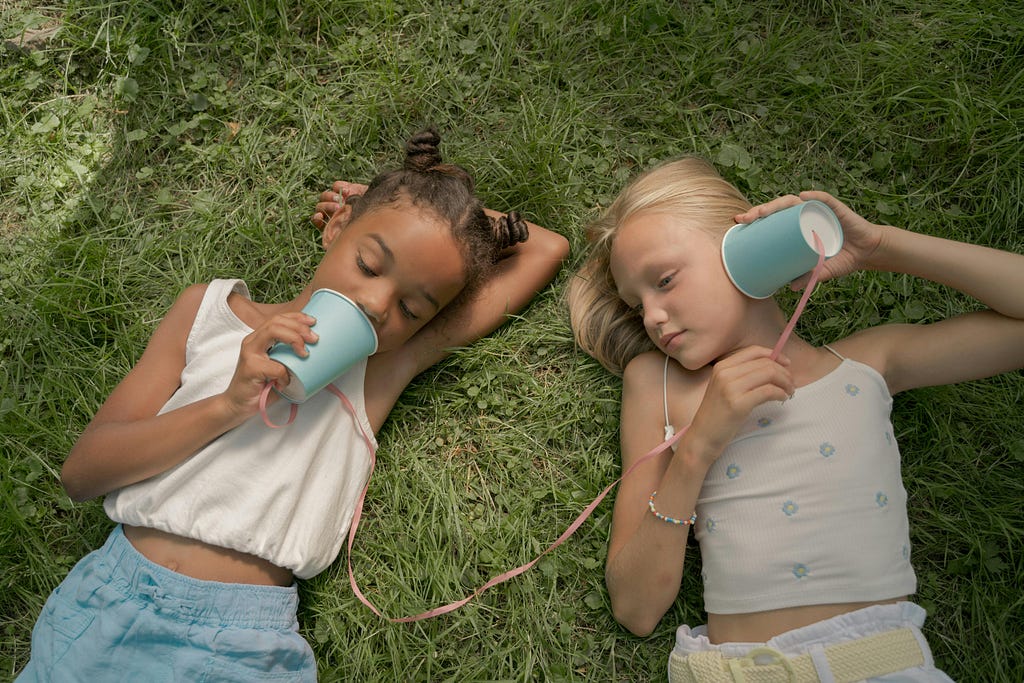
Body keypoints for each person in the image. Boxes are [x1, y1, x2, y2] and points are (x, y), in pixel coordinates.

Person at [18, 127, 569, 682]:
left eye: (412, 308)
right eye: (370, 264)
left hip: (242, 644)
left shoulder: (376, 370)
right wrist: (227, 405)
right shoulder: (208, 313)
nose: (379, 305)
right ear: (336, 227)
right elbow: (82, 475)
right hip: (107, 603)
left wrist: (434, 209)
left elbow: (546, 247)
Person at [567, 156, 1024, 682]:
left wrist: (880, 247)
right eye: (635, 303)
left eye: (664, 280)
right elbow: (635, 609)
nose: (650, 315)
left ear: (743, 246)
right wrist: (696, 450)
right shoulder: (659, 383)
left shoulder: (869, 364)